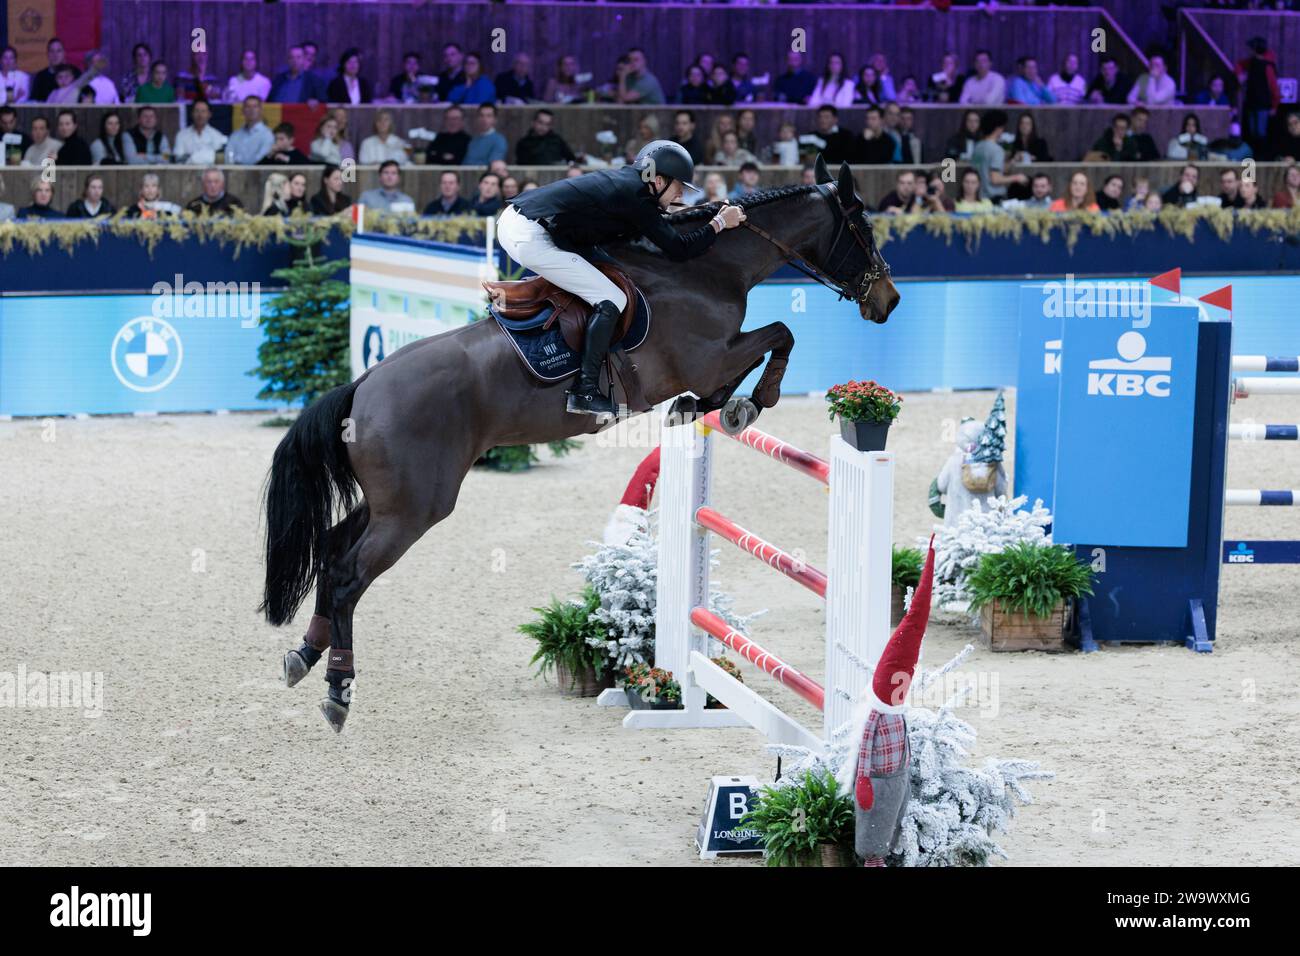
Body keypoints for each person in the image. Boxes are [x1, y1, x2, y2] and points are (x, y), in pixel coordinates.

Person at [500, 140, 745, 416]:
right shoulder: (636, 197)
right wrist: (721, 223)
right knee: (611, 298)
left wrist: (710, 211)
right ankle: (585, 390)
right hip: (530, 235)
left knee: (616, 275)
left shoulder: (631, 187)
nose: (680, 195)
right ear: (659, 180)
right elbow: (678, 249)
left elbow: (662, 221)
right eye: (679, 187)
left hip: (525, 222)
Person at [1235, 37, 1279, 154]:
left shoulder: (1267, 65)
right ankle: (1253, 156)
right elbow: (1239, 65)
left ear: (1255, 49)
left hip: (1263, 104)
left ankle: (1261, 156)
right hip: (1251, 103)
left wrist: (1274, 106)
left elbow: (1274, 87)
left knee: (1260, 133)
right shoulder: (1251, 62)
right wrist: (1240, 76)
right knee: (1252, 133)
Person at [970, 110, 1026, 202]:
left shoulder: (978, 147)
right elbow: (995, 179)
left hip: (979, 196)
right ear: (998, 128)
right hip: (994, 197)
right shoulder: (997, 150)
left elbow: (987, 168)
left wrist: (1013, 161)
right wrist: (1017, 178)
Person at [515, 108, 579, 165]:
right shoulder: (523, 143)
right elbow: (521, 166)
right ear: (533, 122)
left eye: (547, 124)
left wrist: (573, 166)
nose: (543, 127)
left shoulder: (557, 140)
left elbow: (571, 159)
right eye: (540, 122)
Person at [173, 99, 227, 164]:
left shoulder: (217, 136)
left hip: (209, 173)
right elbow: (179, 160)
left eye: (203, 111)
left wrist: (192, 158)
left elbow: (219, 161)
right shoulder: (181, 135)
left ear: (209, 114)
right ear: (192, 113)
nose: (200, 115)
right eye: (197, 111)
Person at [30, 37, 79, 103]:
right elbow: (33, 101)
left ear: (64, 53)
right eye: (52, 51)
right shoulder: (40, 76)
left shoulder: (75, 72)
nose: (55, 55)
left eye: (59, 51)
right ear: (47, 54)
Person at [228, 96, 274, 164]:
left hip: (257, 173)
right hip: (234, 172)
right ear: (243, 110)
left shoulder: (268, 134)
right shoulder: (235, 135)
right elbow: (229, 155)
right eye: (248, 106)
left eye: (255, 106)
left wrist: (243, 166)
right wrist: (232, 167)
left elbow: (261, 158)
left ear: (261, 110)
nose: (251, 109)